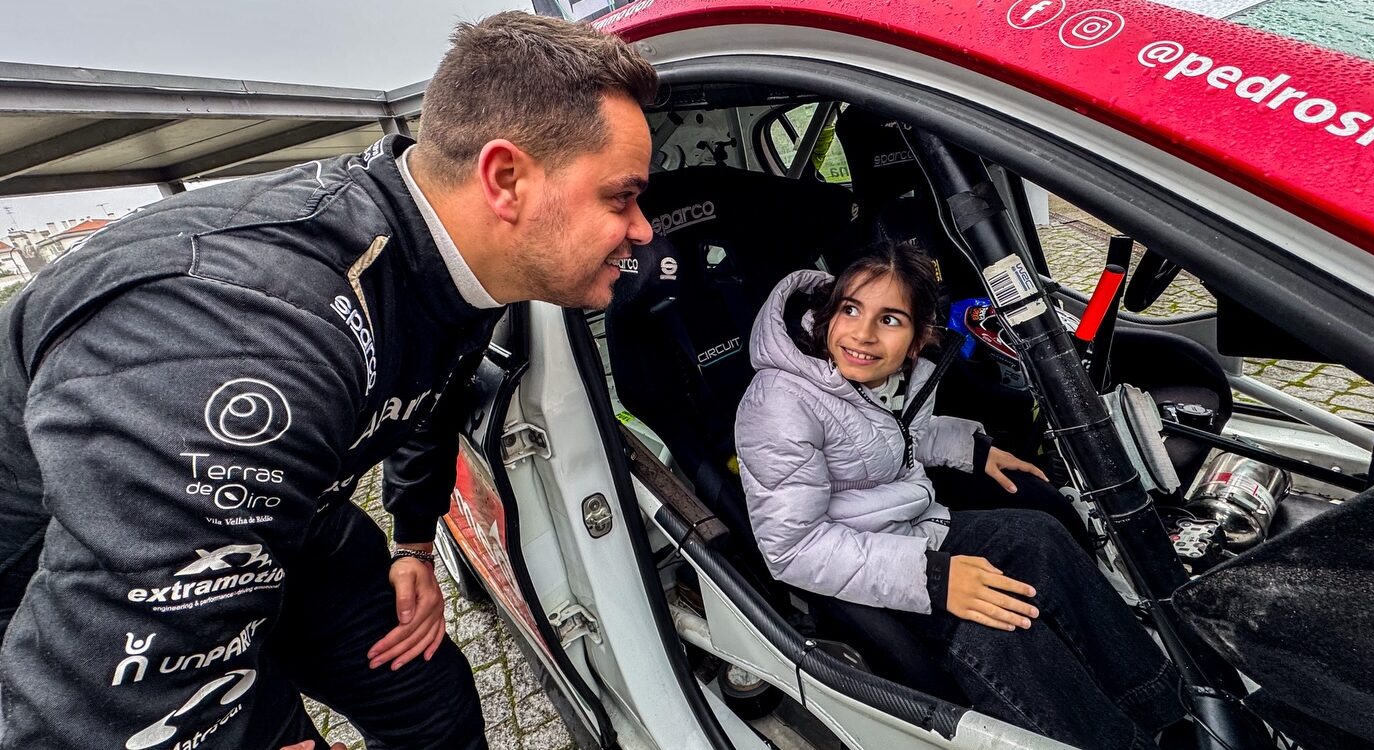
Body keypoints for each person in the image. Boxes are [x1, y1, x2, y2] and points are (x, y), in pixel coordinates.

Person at [0, 12, 655, 750]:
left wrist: (413, 543)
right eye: (620, 197)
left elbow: (432, 397)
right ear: (506, 179)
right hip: (75, 587)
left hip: (285, 520)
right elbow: (96, 706)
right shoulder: (252, 332)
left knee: (430, 707)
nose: (644, 231)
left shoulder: (455, 260)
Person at [734, 242, 1184, 750]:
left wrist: (973, 451)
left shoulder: (883, 378)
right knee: (1007, 630)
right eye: (851, 310)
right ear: (828, 311)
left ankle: (1167, 705)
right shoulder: (780, 405)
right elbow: (792, 549)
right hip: (859, 575)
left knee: (1037, 536)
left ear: (917, 336)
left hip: (916, 531)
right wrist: (934, 578)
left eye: (890, 319)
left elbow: (895, 434)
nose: (862, 334)